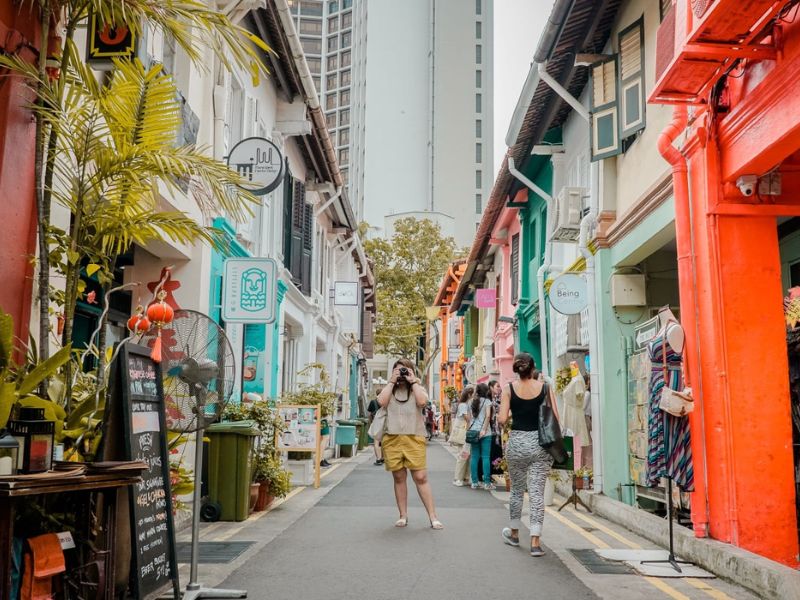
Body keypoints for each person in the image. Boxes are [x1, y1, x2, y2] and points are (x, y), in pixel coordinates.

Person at [498, 352, 559, 557]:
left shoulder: (508, 389)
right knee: (536, 493)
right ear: (532, 368)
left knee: (516, 491)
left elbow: (501, 419)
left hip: (517, 444)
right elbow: (555, 417)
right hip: (540, 445)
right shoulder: (545, 388)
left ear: (516, 369)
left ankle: (514, 533)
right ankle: (535, 541)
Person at [377, 358, 443, 530]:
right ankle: (403, 515)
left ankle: (433, 516)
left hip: (414, 437)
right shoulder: (389, 389)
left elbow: (422, 403)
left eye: (405, 370)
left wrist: (413, 381)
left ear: (412, 371)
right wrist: (392, 381)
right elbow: (381, 402)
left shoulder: (417, 389)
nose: (402, 374)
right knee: (399, 477)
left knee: (421, 477)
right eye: (398, 370)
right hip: (392, 438)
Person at [466, 382, 494, 490]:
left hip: (473, 431)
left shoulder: (470, 401)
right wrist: (484, 429)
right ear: (486, 391)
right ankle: (487, 483)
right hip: (485, 433)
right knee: (486, 457)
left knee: (474, 457)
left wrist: (468, 430)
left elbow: (468, 418)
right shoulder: (487, 401)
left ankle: (474, 482)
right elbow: (487, 417)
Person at [451, 385, 474, 486]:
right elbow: (468, 418)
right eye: (474, 394)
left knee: (467, 455)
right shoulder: (464, 405)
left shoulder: (466, 404)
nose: (475, 396)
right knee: (463, 455)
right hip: (463, 433)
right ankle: (457, 478)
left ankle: (465, 477)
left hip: (466, 432)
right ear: (469, 394)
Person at [367, 397, 383, 466]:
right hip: (385, 423)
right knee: (384, 442)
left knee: (376, 442)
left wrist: (371, 423)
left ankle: (378, 459)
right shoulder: (387, 401)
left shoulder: (373, 402)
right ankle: (383, 457)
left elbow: (370, 414)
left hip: (376, 422)